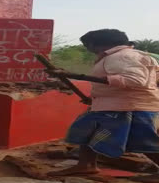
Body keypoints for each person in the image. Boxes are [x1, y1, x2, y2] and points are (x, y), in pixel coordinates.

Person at [46, 29, 159, 181]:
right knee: (87, 132)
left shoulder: (123, 57)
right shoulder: (124, 56)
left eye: (87, 45)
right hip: (112, 105)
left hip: (129, 108)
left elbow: (135, 81)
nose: (87, 48)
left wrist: (75, 76)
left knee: (141, 140)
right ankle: (86, 166)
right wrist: (95, 99)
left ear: (97, 43)